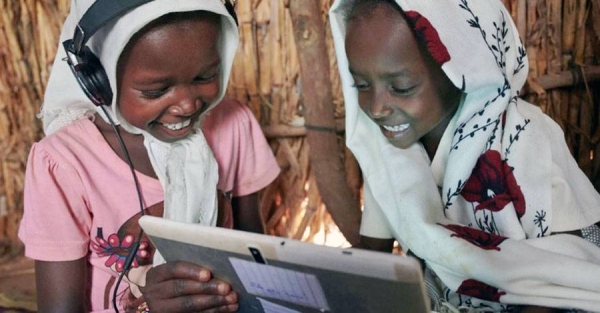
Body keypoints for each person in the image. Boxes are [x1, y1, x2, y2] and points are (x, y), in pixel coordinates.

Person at [329, 0, 600, 312]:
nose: (376, 108)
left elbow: (570, 274)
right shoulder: (387, 156)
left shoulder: (523, 135)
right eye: (361, 85)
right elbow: (372, 255)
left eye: (401, 87)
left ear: (464, 71)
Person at [18, 0, 279, 312]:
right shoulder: (64, 162)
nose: (186, 106)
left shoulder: (234, 124)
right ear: (98, 81)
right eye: (155, 91)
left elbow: (254, 254)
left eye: (205, 77)